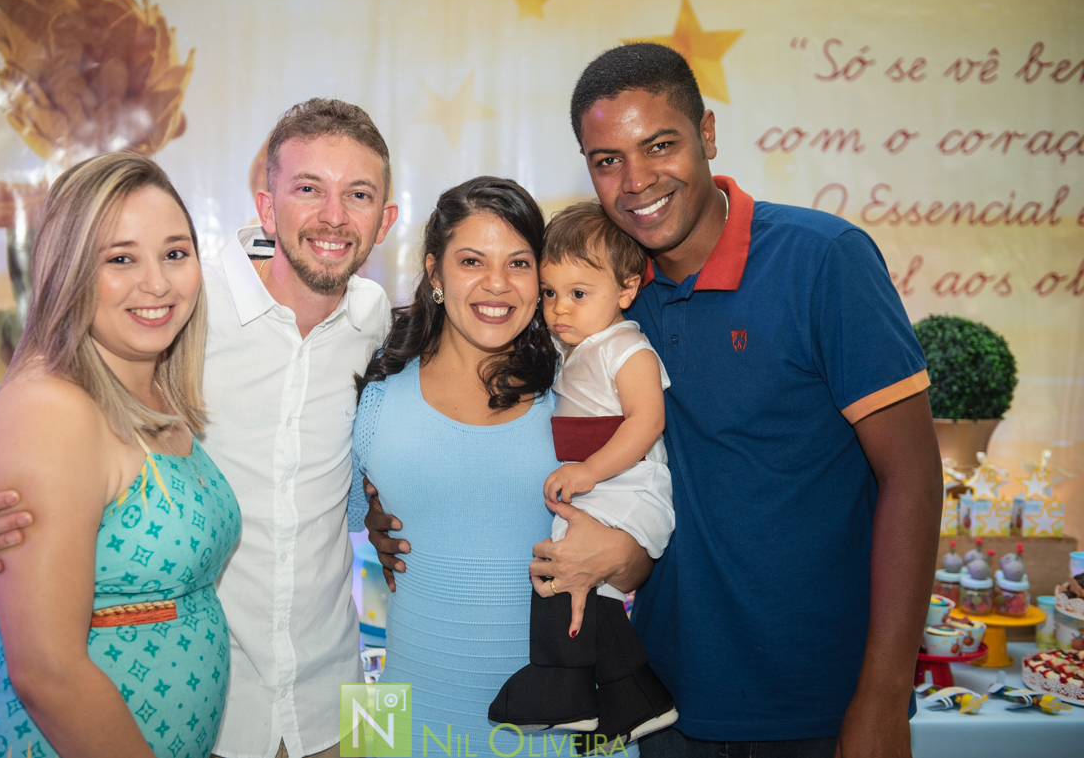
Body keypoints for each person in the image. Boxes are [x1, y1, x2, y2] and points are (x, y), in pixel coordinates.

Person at [372, 44, 943, 758]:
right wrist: (381, 497)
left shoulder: (820, 260)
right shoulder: (598, 307)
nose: (636, 179)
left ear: (706, 135)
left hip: (811, 702)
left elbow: (913, 476)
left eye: (660, 144)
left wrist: (884, 697)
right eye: (607, 159)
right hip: (659, 702)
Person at [0, 99, 400, 758]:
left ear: (386, 221)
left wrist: (381, 504)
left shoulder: (375, 322)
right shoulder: (180, 309)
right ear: (266, 206)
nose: (333, 216)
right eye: (308, 188)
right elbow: (16, 415)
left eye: (358, 194)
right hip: (214, 716)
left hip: (333, 693)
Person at [0, 152, 240, 758]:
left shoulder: (155, 389)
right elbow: (48, 675)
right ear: (70, 271)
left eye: (175, 252)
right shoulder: (50, 410)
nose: (157, 282)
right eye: (120, 259)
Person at [350, 176, 561, 751]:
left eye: (519, 262)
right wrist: (376, 524)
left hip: (566, 722)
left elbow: (641, 525)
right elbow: (327, 543)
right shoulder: (376, 395)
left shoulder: (578, 388)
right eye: (472, 260)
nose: (498, 284)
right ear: (435, 273)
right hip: (414, 716)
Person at [489, 202, 677, 741]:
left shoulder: (628, 349)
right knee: (592, 596)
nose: (558, 309)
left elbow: (646, 421)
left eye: (577, 293)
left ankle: (565, 686)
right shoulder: (573, 347)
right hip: (604, 485)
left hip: (630, 484)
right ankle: (633, 698)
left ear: (625, 290)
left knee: (559, 568)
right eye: (549, 293)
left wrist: (590, 471)